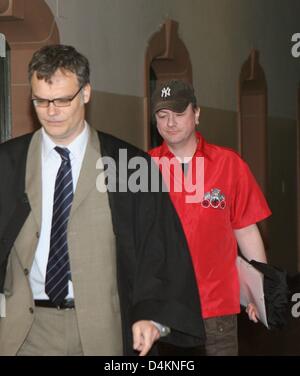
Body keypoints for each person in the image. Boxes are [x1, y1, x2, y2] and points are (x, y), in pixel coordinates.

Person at [0, 46, 205, 356]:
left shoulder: (129, 165)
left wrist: (150, 313)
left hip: (104, 330)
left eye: (62, 100)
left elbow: (156, 247)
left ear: (85, 93)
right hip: (25, 331)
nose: (51, 111)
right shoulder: (8, 162)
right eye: (40, 100)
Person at [149, 79, 271, 356]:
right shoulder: (143, 169)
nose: (171, 123)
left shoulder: (229, 165)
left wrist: (258, 294)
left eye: (179, 113)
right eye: (162, 115)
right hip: (162, 309)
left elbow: (247, 230)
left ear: (197, 113)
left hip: (217, 308)